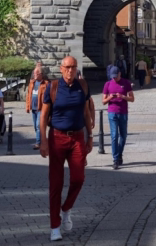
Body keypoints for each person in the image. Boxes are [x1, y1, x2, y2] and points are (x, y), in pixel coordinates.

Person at [41, 56, 95, 242]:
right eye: (67, 67)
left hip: (77, 137)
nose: (70, 70)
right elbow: (43, 115)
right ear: (61, 68)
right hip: (57, 137)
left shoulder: (82, 86)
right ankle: (55, 227)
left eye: (73, 67)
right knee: (56, 184)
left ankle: (66, 208)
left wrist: (90, 136)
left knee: (78, 178)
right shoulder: (53, 87)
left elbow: (86, 112)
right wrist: (43, 140)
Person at [102, 65, 134, 169]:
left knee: (123, 135)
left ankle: (119, 153)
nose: (114, 78)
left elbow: (132, 99)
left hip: (123, 112)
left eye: (116, 76)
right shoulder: (107, 84)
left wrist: (123, 97)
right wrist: (110, 97)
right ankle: (115, 159)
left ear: (120, 74)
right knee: (114, 135)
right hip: (112, 112)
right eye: (113, 76)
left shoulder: (126, 83)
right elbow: (103, 101)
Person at [26, 65, 45, 149]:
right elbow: (28, 95)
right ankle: (41, 140)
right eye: (34, 73)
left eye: (36, 73)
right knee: (35, 126)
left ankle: (38, 143)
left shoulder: (45, 83)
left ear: (41, 74)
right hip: (33, 108)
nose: (34, 75)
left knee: (38, 126)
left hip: (41, 108)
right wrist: (27, 106)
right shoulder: (32, 83)